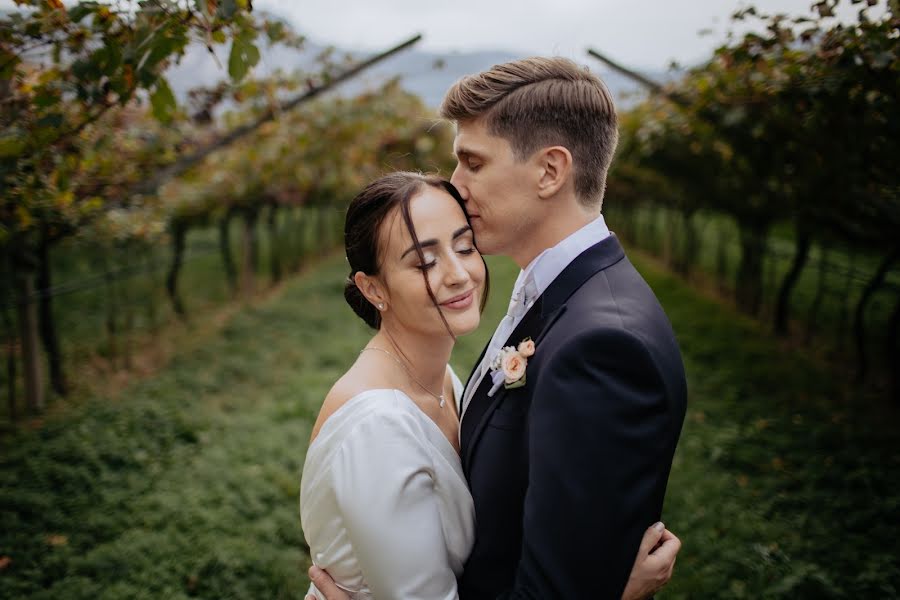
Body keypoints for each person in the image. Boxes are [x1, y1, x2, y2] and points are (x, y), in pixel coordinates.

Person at [301, 171, 680, 600]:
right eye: (425, 262)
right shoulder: (376, 430)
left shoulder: (442, 380)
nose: (459, 274)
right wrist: (611, 593)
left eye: (465, 247)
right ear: (373, 289)